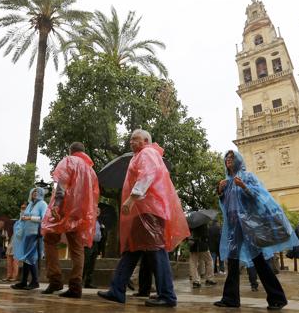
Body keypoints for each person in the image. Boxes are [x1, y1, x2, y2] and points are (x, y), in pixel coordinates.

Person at [97, 129, 190, 308]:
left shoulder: (147, 153)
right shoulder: (142, 155)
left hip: (149, 211)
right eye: (131, 139)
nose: (131, 142)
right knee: (132, 250)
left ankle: (167, 295)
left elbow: (147, 175)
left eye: (135, 139)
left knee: (156, 250)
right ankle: (117, 290)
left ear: (146, 140)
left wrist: (132, 199)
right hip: (145, 211)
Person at [214, 150, 299, 310]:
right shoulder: (226, 181)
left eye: (232, 157)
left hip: (248, 226)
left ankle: (277, 298)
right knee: (232, 261)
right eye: (226, 158)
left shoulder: (248, 177)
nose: (228, 160)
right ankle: (230, 298)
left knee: (259, 260)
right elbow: (226, 204)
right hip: (234, 227)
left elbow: (259, 196)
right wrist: (220, 191)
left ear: (238, 160)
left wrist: (244, 186)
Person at [41, 142, 99, 298]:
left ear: (71, 151)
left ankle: (55, 280)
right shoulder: (91, 171)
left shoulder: (69, 161)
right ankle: (75, 286)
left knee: (49, 238)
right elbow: (94, 195)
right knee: (77, 247)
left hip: (66, 208)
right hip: (81, 212)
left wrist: (57, 205)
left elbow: (62, 185)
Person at [12, 188, 48, 290]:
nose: (35, 194)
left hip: (35, 234)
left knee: (31, 258)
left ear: (41, 194)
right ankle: (23, 281)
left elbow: (44, 219)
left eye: (37, 192)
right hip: (26, 234)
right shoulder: (30, 205)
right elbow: (23, 217)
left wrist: (30, 218)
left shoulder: (42, 204)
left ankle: (35, 282)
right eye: (33, 192)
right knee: (25, 258)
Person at [189, 223, 216, 288]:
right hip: (202, 245)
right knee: (209, 261)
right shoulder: (203, 222)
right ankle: (209, 279)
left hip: (193, 246)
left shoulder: (190, 223)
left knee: (193, 263)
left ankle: (196, 281)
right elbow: (206, 235)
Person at [83, 207, 103, 289]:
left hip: (96, 244)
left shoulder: (99, 222)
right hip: (88, 243)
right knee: (86, 262)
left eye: (99, 211)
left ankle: (88, 282)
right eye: (96, 210)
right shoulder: (89, 220)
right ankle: (79, 281)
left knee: (92, 264)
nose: (97, 212)